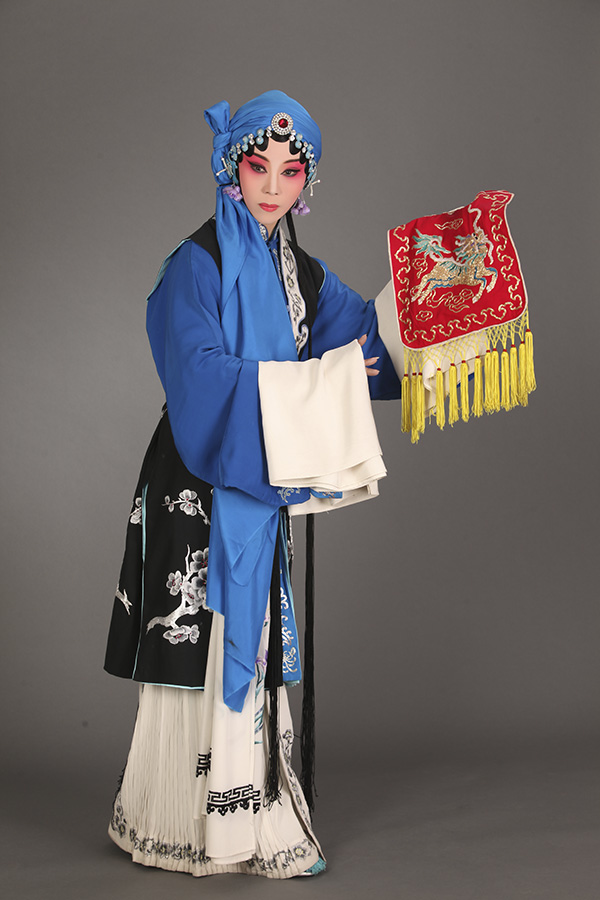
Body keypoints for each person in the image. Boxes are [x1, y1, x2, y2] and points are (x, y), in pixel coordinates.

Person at [104, 90, 400, 879]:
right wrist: (321, 379)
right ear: (229, 167)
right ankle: (178, 820)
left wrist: (439, 298)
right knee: (198, 643)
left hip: (259, 479)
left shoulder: (298, 271)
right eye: (257, 166)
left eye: (290, 171)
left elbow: (368, 343)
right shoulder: (193, 265)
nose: (272, 186)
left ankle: (254, 816)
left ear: (308, 182)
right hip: (197, 478)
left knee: (254, 637)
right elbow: (200, 379)